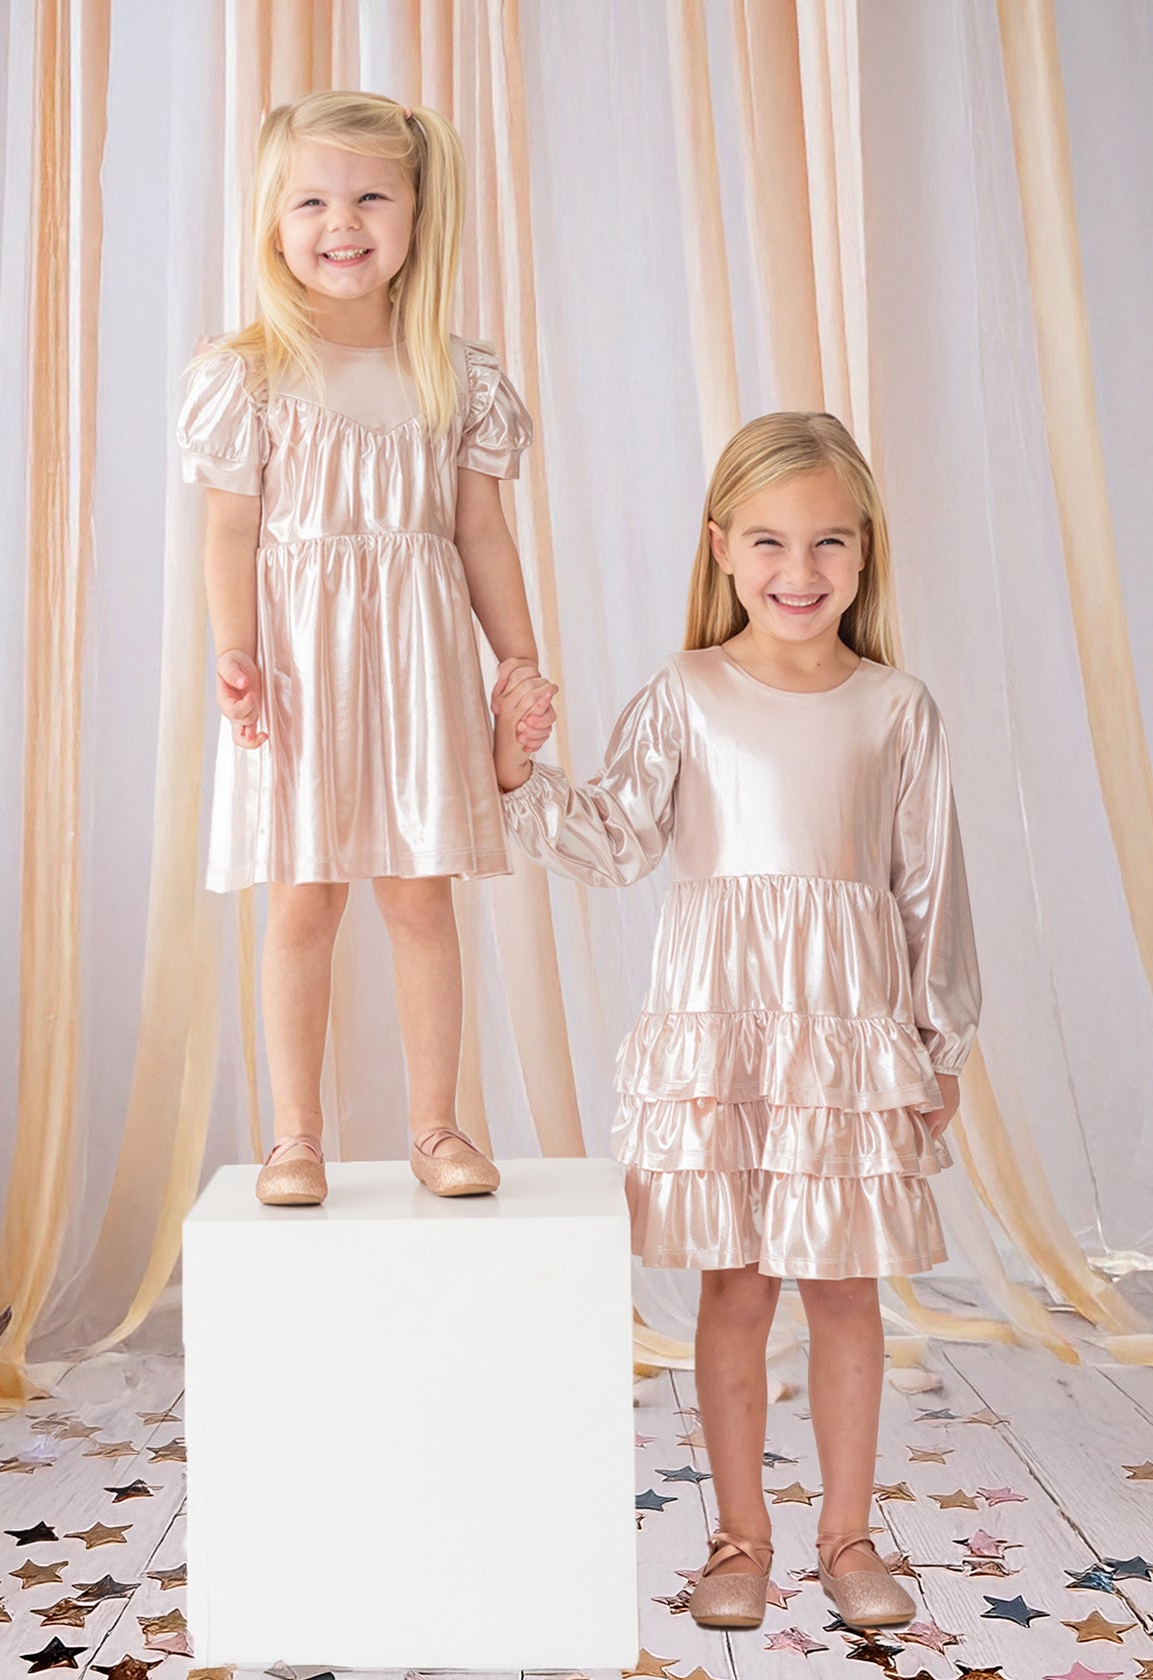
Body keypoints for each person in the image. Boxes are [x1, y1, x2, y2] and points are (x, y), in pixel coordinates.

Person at [493, 412, 980, 1631]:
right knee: (739, 1286)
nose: (798, 571)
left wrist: (938, 1045)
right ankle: (740, 1537)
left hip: (846, 1043)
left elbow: (931, 890)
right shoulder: (688, 693)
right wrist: (515, 776)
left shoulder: (897, 707)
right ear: (720, 548)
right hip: (724, 1036)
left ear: (865, 551)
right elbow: (614, 840)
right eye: (768, 541)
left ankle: (849, 1533)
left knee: (845, 1289)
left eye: (827, 543)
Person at [178, 91, 553, 1207]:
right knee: (303, 900)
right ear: (273, 219)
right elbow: (230, 532)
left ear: (416, 213)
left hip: (418, 668)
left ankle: (437, 1127)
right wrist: (236, 653)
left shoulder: (454, 373)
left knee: (420, 898)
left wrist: (516, 661)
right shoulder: (251, 374)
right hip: (300, 673)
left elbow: (481, 532)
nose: (342, 223)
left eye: (371, 197)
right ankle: (294, 1139)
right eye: (312, 202)